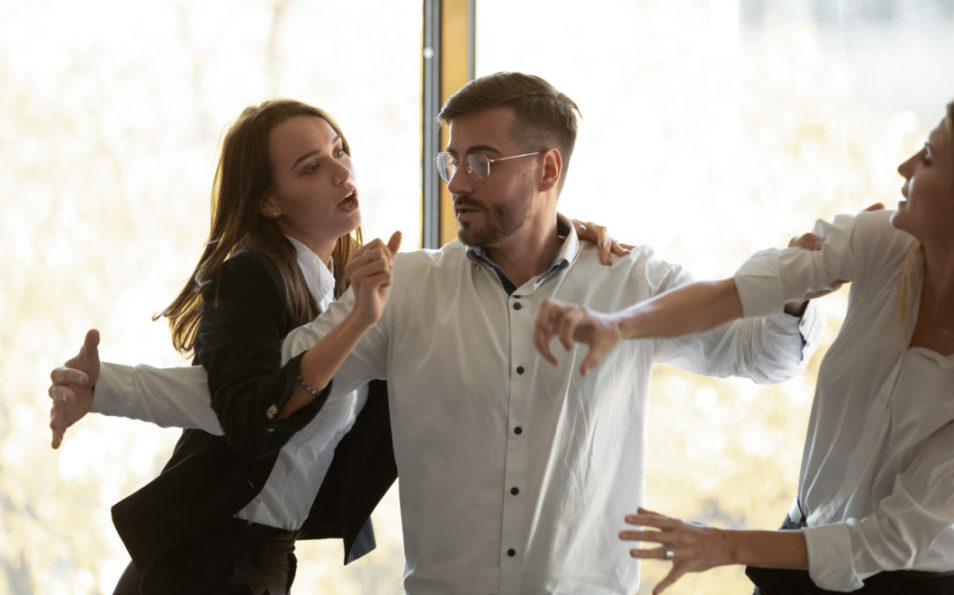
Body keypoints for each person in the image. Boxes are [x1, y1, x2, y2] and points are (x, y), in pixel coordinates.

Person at [50, 71, 822, 595]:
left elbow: (764, 353)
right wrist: (108, 385)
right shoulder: (404, 287)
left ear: (547, 169)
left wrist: (798, 282)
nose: (456, 181)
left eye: (481, 161)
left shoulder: (629, 278)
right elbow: (264, 394)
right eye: (451, 160)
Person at [533, 88, 954, 594]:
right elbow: (734, 294)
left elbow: (886, 540)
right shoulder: (881, 244)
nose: (904, 168)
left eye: (929, 159)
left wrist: (721, 545)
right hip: (805, 545)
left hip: (918, 582)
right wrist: (619, 325)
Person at [51, 98, 402, 594]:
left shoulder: (331, 295)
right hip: (207, 563)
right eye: (312, 167)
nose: (342, 173)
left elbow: (218, 396)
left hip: (265, 560)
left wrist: (107, 386)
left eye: (339, 150)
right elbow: (250, 414)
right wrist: (358, 317)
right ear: (269, 201)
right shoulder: (252, 273)